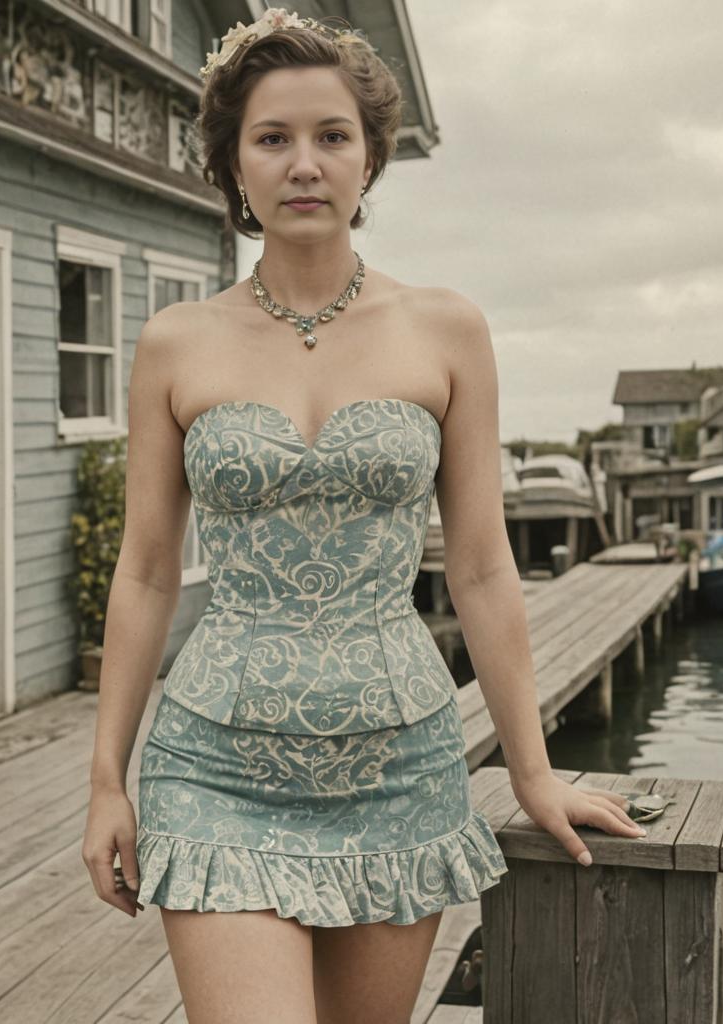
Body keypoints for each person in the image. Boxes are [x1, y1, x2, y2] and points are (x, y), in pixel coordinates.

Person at [82, 9, 646, 1023]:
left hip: (397, 766)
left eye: (331, 136)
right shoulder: (175, 342)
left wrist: (530, 771)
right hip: (216, 765)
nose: (305, 163)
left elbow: (479, 569)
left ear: (370, 158)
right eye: (273, 138)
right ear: (232, 165)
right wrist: (103, 781)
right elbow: (148, 572)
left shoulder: (446, 329)